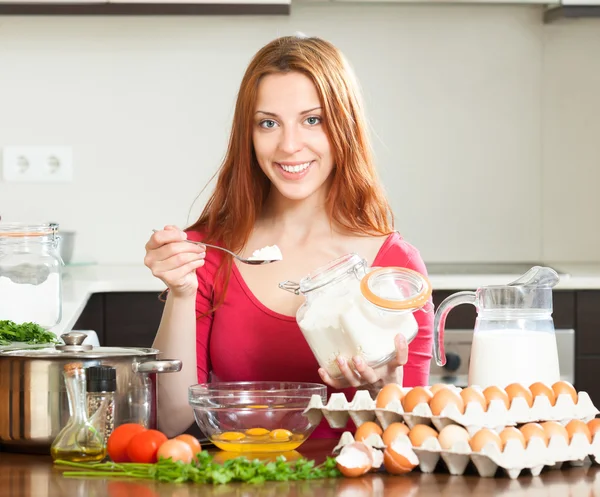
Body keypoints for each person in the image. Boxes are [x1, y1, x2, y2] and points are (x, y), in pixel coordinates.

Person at [144, 34, 434, 438]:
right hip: (238, 479)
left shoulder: (394, 266)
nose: (290, 145)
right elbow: (172, 421)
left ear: (344, 126)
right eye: (268, 123)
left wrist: (382, 389)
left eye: (313, 120)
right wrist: (181, 292)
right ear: (248, 135)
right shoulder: (211, 251)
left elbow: (411, 438)